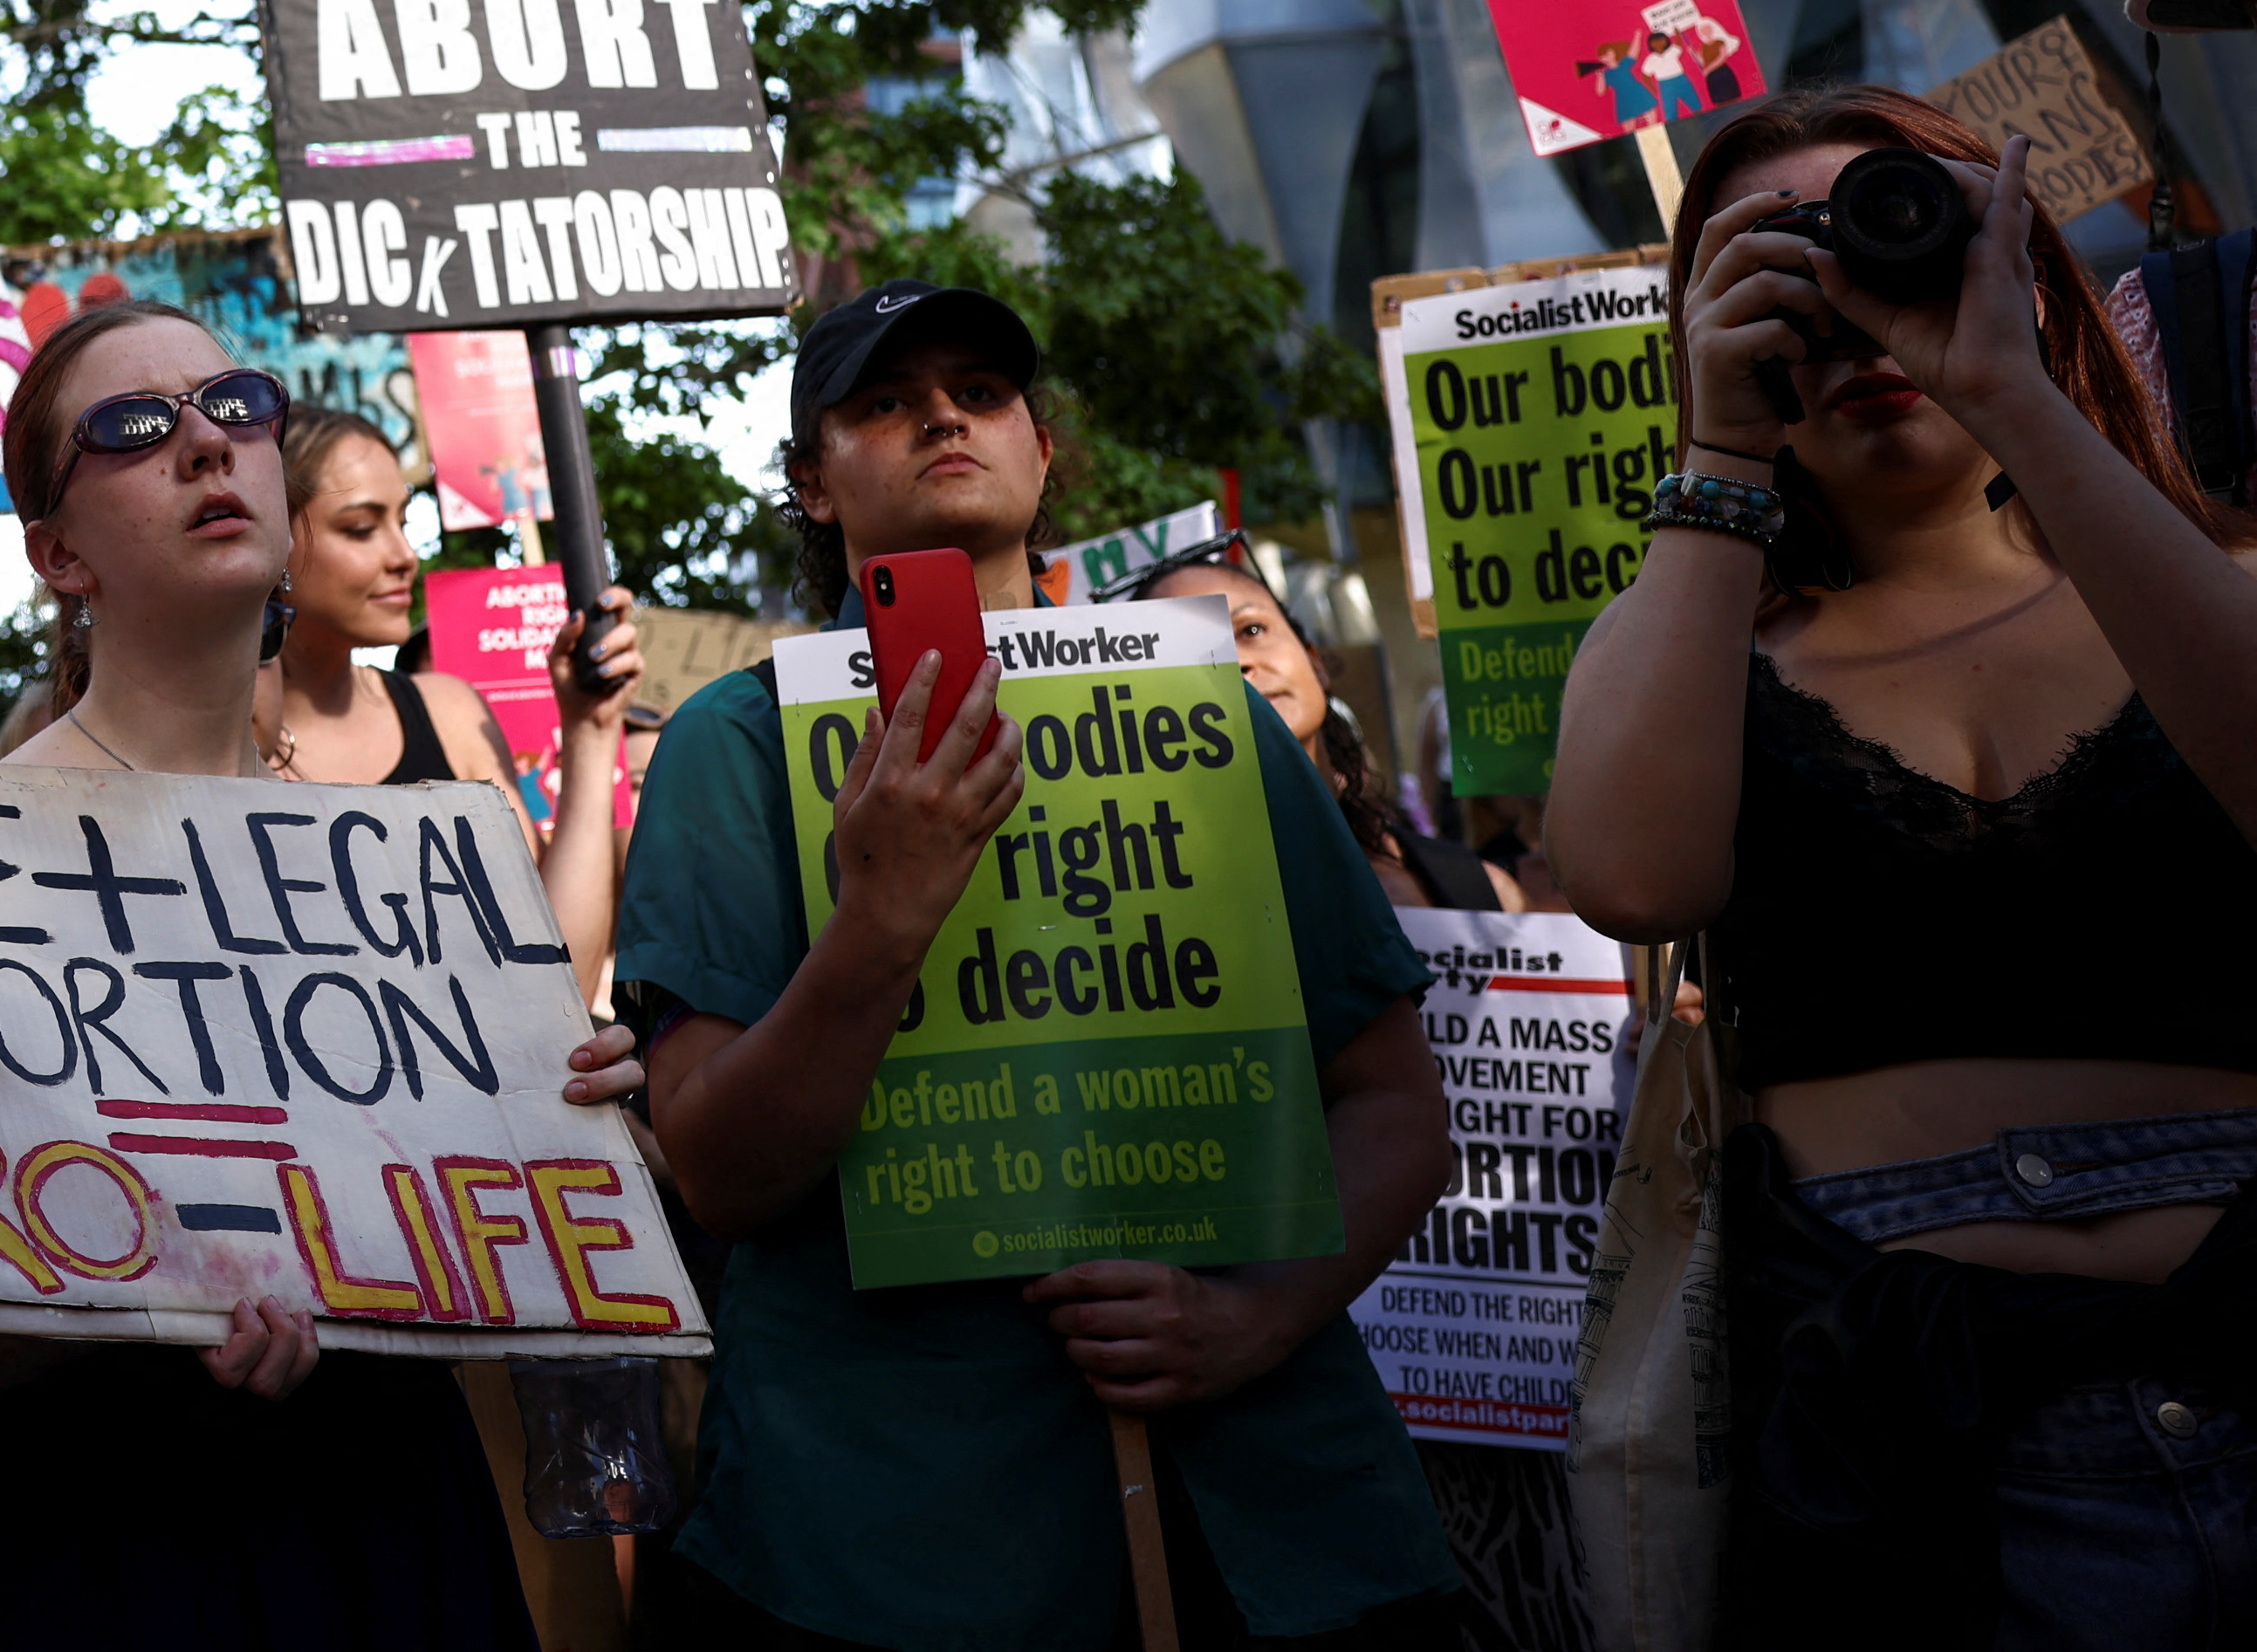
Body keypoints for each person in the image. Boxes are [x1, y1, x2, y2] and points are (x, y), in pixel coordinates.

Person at [0, 297, 662, 1652]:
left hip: (385, 1532)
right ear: (58, 553)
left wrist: (558, 1110)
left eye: (237, 406)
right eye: (138, 427)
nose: (207, 443)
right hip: (95, 1564)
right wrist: (156, 1286)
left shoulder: (411, 865)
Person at [622, 278, 1462, 1646]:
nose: (943, 416)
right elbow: (720, 1166)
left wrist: (1249, 1322)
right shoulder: (745, 740)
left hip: (1278, 1518)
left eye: (980, 391)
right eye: (884, 402)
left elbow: (1393, 1104)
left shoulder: (1211, 719)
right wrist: (881, 922)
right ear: (812, 482)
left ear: (1042, 449)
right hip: (894, 1538)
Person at [1550, 90, 2257, 1635]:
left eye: (1893, 228)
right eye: (1783, 266)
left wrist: (2019, 392)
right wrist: (1720, 451)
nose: (1859, 307)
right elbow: (1633, 882)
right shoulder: (1683, 646)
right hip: (1914, 1453)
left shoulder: (2212, 576)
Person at [258, 399, 635, 970]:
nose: (405, 555)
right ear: (270, 541)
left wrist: (590, 729)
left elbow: (561, 982)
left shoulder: (450, 713)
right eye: (361, 529)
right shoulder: (206, 744)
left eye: (404, 522)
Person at [1122, 549, 1517, 912]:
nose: (1237, 662)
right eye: (1192, 656)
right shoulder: (1167, 927)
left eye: (1251, 631)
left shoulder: (1484, 892)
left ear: (1315, 662)